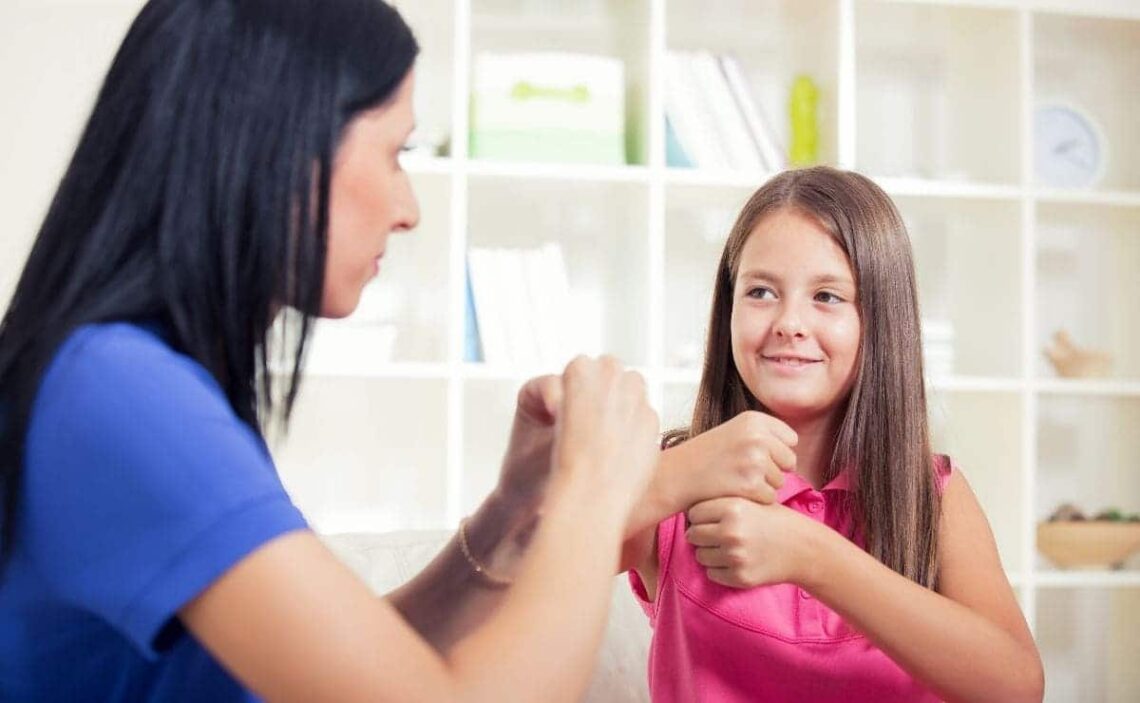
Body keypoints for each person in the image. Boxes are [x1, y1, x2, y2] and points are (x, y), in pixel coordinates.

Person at [0, 1, 664, 701]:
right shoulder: (122, 392)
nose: (409, 210)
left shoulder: (133, 379)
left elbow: (343, 679)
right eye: (396, 153)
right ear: (280, 146)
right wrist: (593, 491)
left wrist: (510, 515)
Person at [619, 167, 1046, 702]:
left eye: (827, 296)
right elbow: (529, 569)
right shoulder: (671, 483)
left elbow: (1016, 687)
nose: (789, 322)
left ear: (880, 321)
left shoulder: (934, 495)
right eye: (760, 291)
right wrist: (675, 474)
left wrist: (813, 556)